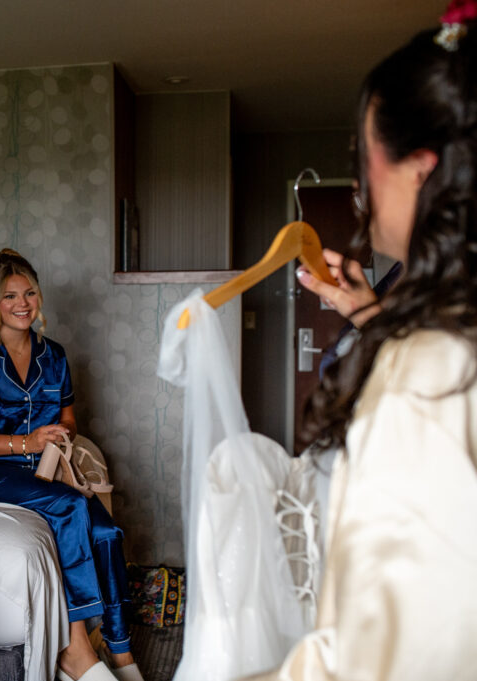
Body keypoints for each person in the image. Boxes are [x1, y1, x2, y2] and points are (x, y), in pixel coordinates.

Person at [246, 4, 477, 679]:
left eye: (361, 151)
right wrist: (369, 310)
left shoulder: (429, 375)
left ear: (417, 166)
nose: (359, 184)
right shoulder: (442, 329)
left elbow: (394, 645)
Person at [0, 249, 142, 681]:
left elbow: (68, 419)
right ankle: (77, 648)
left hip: (41, 469)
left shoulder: (55, 356)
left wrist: (57, 438)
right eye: (10, 295)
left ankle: (122, 653)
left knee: (106, 530)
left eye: (30, 293)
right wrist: (26, 441)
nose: (22, 303)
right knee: (70, 508)